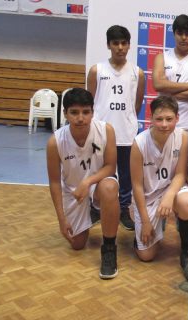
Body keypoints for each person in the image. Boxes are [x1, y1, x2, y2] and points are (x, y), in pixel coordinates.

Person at [46, 88, 120, 279]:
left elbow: (110, 167)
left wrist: (87, 182)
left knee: (110, 188)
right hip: (73, 190)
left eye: (86, 112)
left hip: (98, 183)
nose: (80, 118)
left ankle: (109, 249)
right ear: (65, 114)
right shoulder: (55, 142)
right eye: (74, 112)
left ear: (92, 112)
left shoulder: (106, 131)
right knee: (77, 244)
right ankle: (92, 212)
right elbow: (54, 182)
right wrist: (61, 220)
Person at [130, 96, 188, 281]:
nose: (164, 124)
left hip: (172, 189)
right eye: (159, 119)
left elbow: (180, 174)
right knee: (147, 256)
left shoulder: (183, 136)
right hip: (148, 196)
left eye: (169, 119)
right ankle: (148, 227)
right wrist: (145, 221)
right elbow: (136, 185)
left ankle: (186, 253)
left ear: (177, 118)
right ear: (151, 118)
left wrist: (169, 196)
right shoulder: (139, 143)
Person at [87, 25, 146, 231]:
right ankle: (96, 207)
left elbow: (137, 104)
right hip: (101, 133)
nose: (120, 47)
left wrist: (126, 120)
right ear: (108, 45)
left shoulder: (138, 73)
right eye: (115, 43)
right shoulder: (97, 70)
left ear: (129, 45)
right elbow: (90, 103)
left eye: (124, 43)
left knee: (127, 175)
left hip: (126, 133)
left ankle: (123, 209)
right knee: (100, 172)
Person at [152, 14, 188, 158]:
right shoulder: (162, 57)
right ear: (174, 34)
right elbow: (157, 84)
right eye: (180, 33)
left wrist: (169, 91)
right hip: (164, 124)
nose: (183, 38)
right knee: (160, 169)